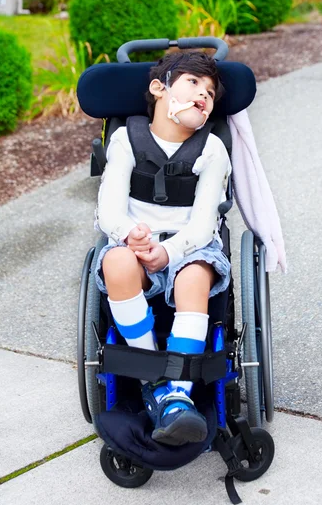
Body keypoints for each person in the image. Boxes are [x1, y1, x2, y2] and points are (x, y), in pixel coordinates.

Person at [94, 51, 231, 446]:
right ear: (160, 88)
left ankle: (177, 394)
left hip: (191, 247)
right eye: (193, 83)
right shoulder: (126, 139)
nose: (203, 95)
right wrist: (130, 235)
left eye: (210, 93)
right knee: (116, 262)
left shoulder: (212, 149)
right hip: (135, 242)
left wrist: (169, 253)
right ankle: (153, 373)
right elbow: (109, 209)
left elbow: (205, 224)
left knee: (193, 277)